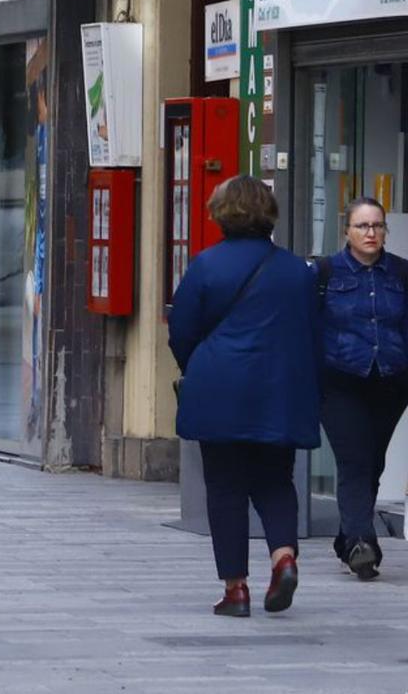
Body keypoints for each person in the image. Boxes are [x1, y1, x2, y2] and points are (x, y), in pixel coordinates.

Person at [168, 176, 320, 619]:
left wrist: (196, 367)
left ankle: (236, 590)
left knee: (226, 486)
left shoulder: (205, 266)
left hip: (219, 388)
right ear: (267, 212)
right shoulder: (296, 270)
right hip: (280, 390)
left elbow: (182, 331)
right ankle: (284, 557)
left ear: (220, 213)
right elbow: (314, 335)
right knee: (275, 480)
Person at [314, 194, 408, 580]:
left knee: (374, 462)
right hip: (340, 380)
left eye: (377, 226)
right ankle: (361, 545)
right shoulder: (325, 273)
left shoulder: (401, 273)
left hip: (390, 379)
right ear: (346, 231)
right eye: (362, 226)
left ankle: (346, 536)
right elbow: (309, 326)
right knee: (354, 460)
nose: (371, 233)